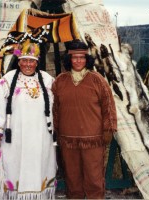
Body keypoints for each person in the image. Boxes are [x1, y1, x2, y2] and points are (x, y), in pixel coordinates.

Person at [0, 40, 57, 199]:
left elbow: (58, 102)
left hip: (41, 135)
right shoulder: (7, 80)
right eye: (24, 60)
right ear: (19, 61)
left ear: (37, 62)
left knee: (40, 167)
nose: (28, 64)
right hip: (15, 137)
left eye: (32, 61)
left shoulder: (47, 80)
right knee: (15, 167)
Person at [52, 40, 117, 199]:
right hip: (68, 141)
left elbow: (108, 106)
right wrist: (55, 131)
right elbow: (54, 110)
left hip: (93, 140)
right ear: (69, 59)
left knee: (94, 180)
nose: (78, 61)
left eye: (82, 57)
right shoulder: (60, 81)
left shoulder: (97, 80)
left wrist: (109, 129)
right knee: (72, 180)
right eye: (75, 58)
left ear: (87, 59)